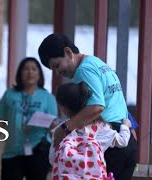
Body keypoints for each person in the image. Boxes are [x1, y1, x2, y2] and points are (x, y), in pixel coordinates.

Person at [38, 33, 137, 180]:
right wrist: (131, 130)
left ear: (68, 52)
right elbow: (115, 99)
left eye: (57, 65)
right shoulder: (98, 63)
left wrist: (65, 129)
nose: (58, 72)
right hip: (125, 138)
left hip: (106, 142)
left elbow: (97, 106)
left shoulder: (83, 71)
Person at [0, 57, 58, 180]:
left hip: (38, 149)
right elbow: (0, 122)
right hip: (12, 150)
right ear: (20, 73)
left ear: (39, 74)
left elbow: (54, 127)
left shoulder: (48, 97)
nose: (30, 72)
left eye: (34, 69)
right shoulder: (9, 94)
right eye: (26, 69)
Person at [49, 82, 132, 179]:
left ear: (63, 108)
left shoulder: (61, 130)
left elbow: (52, 159)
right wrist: (125, 126)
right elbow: (123, 141)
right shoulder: (101, 127)